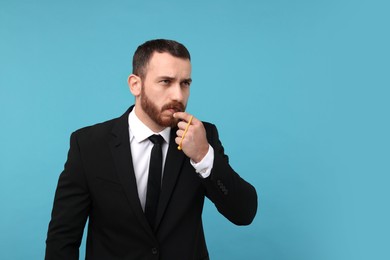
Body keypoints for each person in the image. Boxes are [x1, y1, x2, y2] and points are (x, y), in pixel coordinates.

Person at [45, 39, 258, 260]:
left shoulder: (203, 137)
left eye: (185, 83)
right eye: (166, 81)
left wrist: (203, 156)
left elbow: (244, 213)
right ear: (135, 85)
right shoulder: (89, 144)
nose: (178, 95)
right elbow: (62, 238)